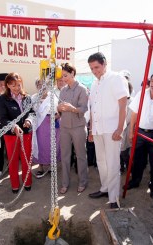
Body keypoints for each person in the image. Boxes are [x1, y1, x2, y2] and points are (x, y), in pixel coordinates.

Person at [87, 52, 129, 209]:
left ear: (104, 64)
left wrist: (120, 128)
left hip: (112, 130)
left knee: (112, 164)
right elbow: (92, 108)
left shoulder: (116, 78)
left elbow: (123, 104)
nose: (94, 71)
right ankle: (104, 189)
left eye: (97, 67)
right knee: (101, 162)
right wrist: (91, 129)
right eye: (91, 68)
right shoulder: (94, 83)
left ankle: (114, 198)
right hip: (98, 129)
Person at [125, 72, 153, 199]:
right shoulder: (142, 93)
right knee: (137, 159)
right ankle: (135, 181)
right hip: (140, 132)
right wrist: (131, 131)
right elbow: (134, 114)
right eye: (152, 81)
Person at [0, 73, 33, 193]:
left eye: (18, 85)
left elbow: (32, 112)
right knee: (13, 161)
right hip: (11, 135)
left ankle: (27, 182)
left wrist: (29, 120)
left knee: (26, 158)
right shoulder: (2, 99)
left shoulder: (27, 97)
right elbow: (2, 118)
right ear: (7, 85)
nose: (17, 88)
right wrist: (13, 126)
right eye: (13, 86)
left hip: (27, 133)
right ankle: (15, 184)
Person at [57, 63, 88, 194]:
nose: (63, 79)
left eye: (66, 75)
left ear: (73, 74)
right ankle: (65, 183)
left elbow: (84, 108)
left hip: (78, 127)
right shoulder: (63, 90)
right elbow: (59, 107)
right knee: (65, 156)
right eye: (62, 76)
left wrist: (72, 108)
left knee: (80, 155)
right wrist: (59, 108)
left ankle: (83, 182)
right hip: (64, 127)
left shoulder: (82, 89)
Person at [31, 78, 61, 178]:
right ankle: (40, 166)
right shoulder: (33, 98)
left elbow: (60, 110)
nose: (42, 87)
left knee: (52, 145)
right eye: (39, 84)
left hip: (52, 124)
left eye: (44, 84)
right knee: (40, 145)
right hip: (39, 125)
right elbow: (31, 112)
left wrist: (58, 116)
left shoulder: (53, 97)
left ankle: (52, 166)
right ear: (36, 86)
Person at [119, 70, 134, 174]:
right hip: (118, 129)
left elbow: (128, 118)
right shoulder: (117, 100)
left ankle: (130, 168)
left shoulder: (132, 101)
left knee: (124, 152)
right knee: (118, 152)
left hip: (125, 129)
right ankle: (121, 168)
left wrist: (119, 126)